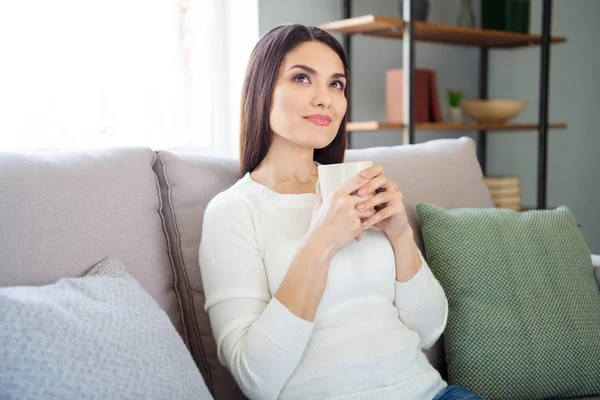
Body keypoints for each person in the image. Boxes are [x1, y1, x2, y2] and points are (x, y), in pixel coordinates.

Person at [199, 24, 482, 400]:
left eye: (336, 84)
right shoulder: (233, 211)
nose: (325, 99)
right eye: (302, 78)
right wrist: (319, 244)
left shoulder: (355, 187)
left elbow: (429, 328)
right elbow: (256, 379)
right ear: (261, 90)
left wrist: (400, 235)